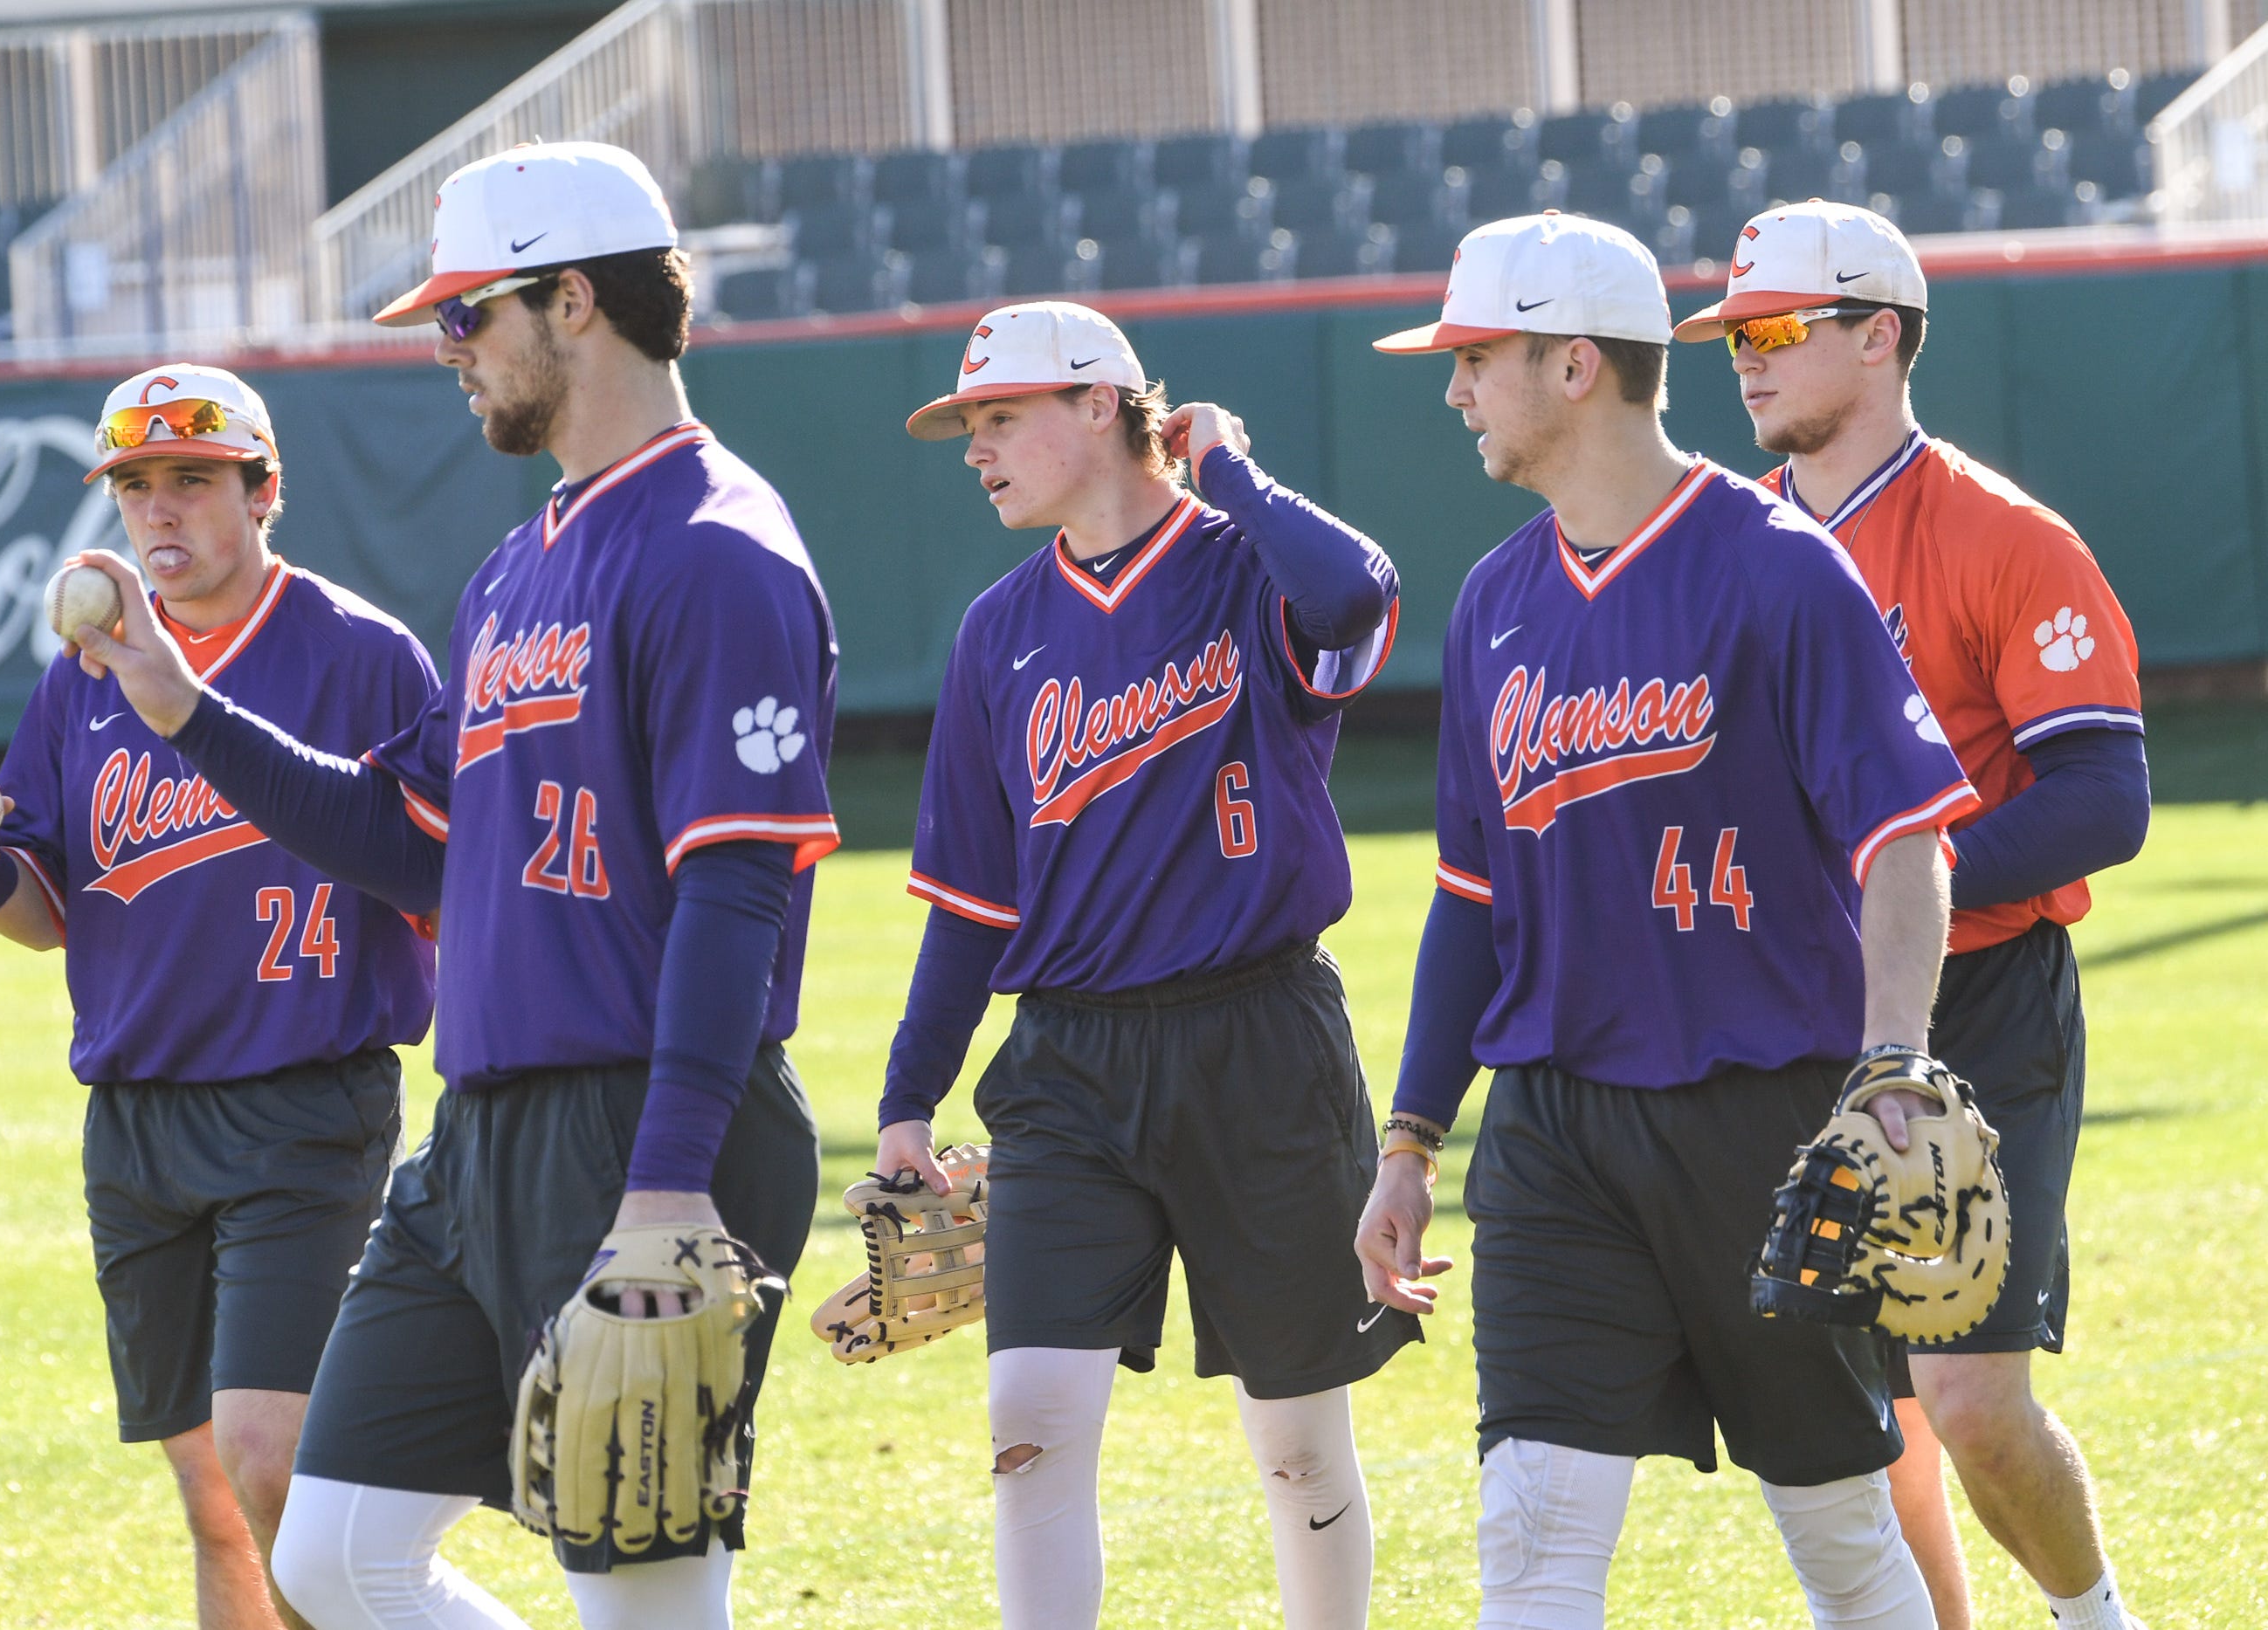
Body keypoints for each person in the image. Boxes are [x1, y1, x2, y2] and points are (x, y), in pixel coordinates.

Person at [61, 141, 833, 1630]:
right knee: (331, 1554)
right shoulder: (516, 569)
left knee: (643, 1592)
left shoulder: (717, 551)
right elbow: (411, 840)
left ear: (574, 301)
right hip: (480, 1134)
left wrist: (668, 1182)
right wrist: (185, 712)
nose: (446, 347)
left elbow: (740, 896)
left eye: (467, 313)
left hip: (643, 1125)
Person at [1356, 211, 1985, 1629]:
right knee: (1530, 1531)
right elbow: (1471, 897)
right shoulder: (1497, 601)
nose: (1453, 389)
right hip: (1554, 1130)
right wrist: (1409, 1142)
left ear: (1575, 363)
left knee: (1838, 1527)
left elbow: (1904, 838)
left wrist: (1893, 1056)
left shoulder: (1777, 566)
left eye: (1475, 357)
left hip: (1764, 1120)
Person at [872, 299, 1411, 1629]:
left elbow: (1355, 597)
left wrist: (1228, 469)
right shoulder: (997, 631)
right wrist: (905, 1100)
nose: (976, 448)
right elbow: (970, 902)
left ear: (1101, 404)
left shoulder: (1244, 565)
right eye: (969, 425)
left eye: (1002, 417)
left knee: (1297, 1438)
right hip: (1068, 1065)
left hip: (1261, 1040)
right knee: (1030, 1420)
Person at [1676, 199, 2150, 1630]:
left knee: (1970, 1400)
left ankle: (2096, 1620)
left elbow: (2101, 801)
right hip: (1798, 1017)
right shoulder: (1728, 549)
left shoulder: (2002, 536)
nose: (1745, 358)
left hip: (1980, 1002)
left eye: (1775, 327)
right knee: (1862, 1425)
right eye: (1730, 334)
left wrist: (1894, 890)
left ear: (1880, 335)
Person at [0, 363, 438, 1630]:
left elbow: (439, 871)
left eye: (194, 479)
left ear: (263, 492)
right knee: (214, 1497)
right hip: (138, 1126)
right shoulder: (82, 677)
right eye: (136, 484)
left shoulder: (361, 654)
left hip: (304, 1103)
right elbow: (49, 913)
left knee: (274, 1464)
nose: (160, 511)